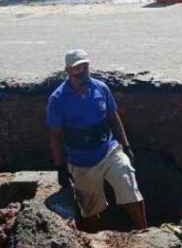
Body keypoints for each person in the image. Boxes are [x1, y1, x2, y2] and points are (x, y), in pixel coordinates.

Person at [47, 49, 148, 231]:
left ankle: (144, 230)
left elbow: (113, 118)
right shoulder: (58, 99)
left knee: (128, 185)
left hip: (108, 150)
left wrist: (126, 146)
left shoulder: (101, 88)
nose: (83, 71)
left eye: (85, 66)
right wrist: (60, 166)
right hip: (80, 161)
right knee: (91, 207)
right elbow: (55, 135)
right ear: (68, 70)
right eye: (77, 68)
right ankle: (97, 240)